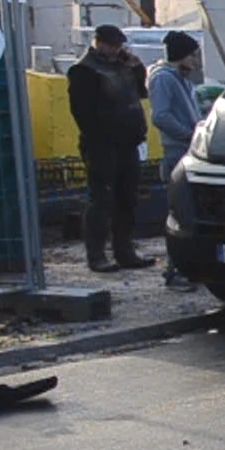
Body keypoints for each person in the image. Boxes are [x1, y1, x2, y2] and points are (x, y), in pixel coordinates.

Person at [67, 24, 156, 273]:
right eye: (112, 45)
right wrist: (102, 136)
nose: (116, 50)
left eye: (119, 46)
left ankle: (124, 250)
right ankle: (96, 255)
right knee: (102, 199)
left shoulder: (124, 66)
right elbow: (82, 112)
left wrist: (137, 67)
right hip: (101, 145)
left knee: (127, 198)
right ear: (99, 43)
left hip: (128, 142)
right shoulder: (84, 70)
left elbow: (140, 93)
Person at [148, 31, 203, 291]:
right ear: (181, 55)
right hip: (176, 154)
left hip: (188, 152)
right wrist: (190, 133)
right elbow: (160, 116)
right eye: (192, 54)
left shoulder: (183, 81)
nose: (196, 60)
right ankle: (173, 271)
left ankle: (186, 267)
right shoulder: (163, 80)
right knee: (178, 215)